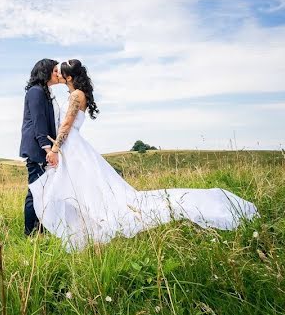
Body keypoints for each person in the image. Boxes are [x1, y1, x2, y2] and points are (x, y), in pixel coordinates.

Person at [29, 59, 258, 250]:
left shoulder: (76, 95)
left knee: (84, 191)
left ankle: (64, 228)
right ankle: (68, 226)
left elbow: (67, 124)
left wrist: (56, 148)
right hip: (73, 147)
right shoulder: (76, 93)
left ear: (68, 77)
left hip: (71, 147)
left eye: (60, 72)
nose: (56, 74)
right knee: (80, 190)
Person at [19, 58, 63, 236]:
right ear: (45, 72)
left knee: (43, 193)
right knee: (35, 192)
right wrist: (48, 150)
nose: (57, 74)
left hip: (44, 149)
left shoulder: (45, 92)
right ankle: (30, 233)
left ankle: (41, 230)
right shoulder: (36, 92)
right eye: (54, 71)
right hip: (38, 151)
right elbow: (39, 123)